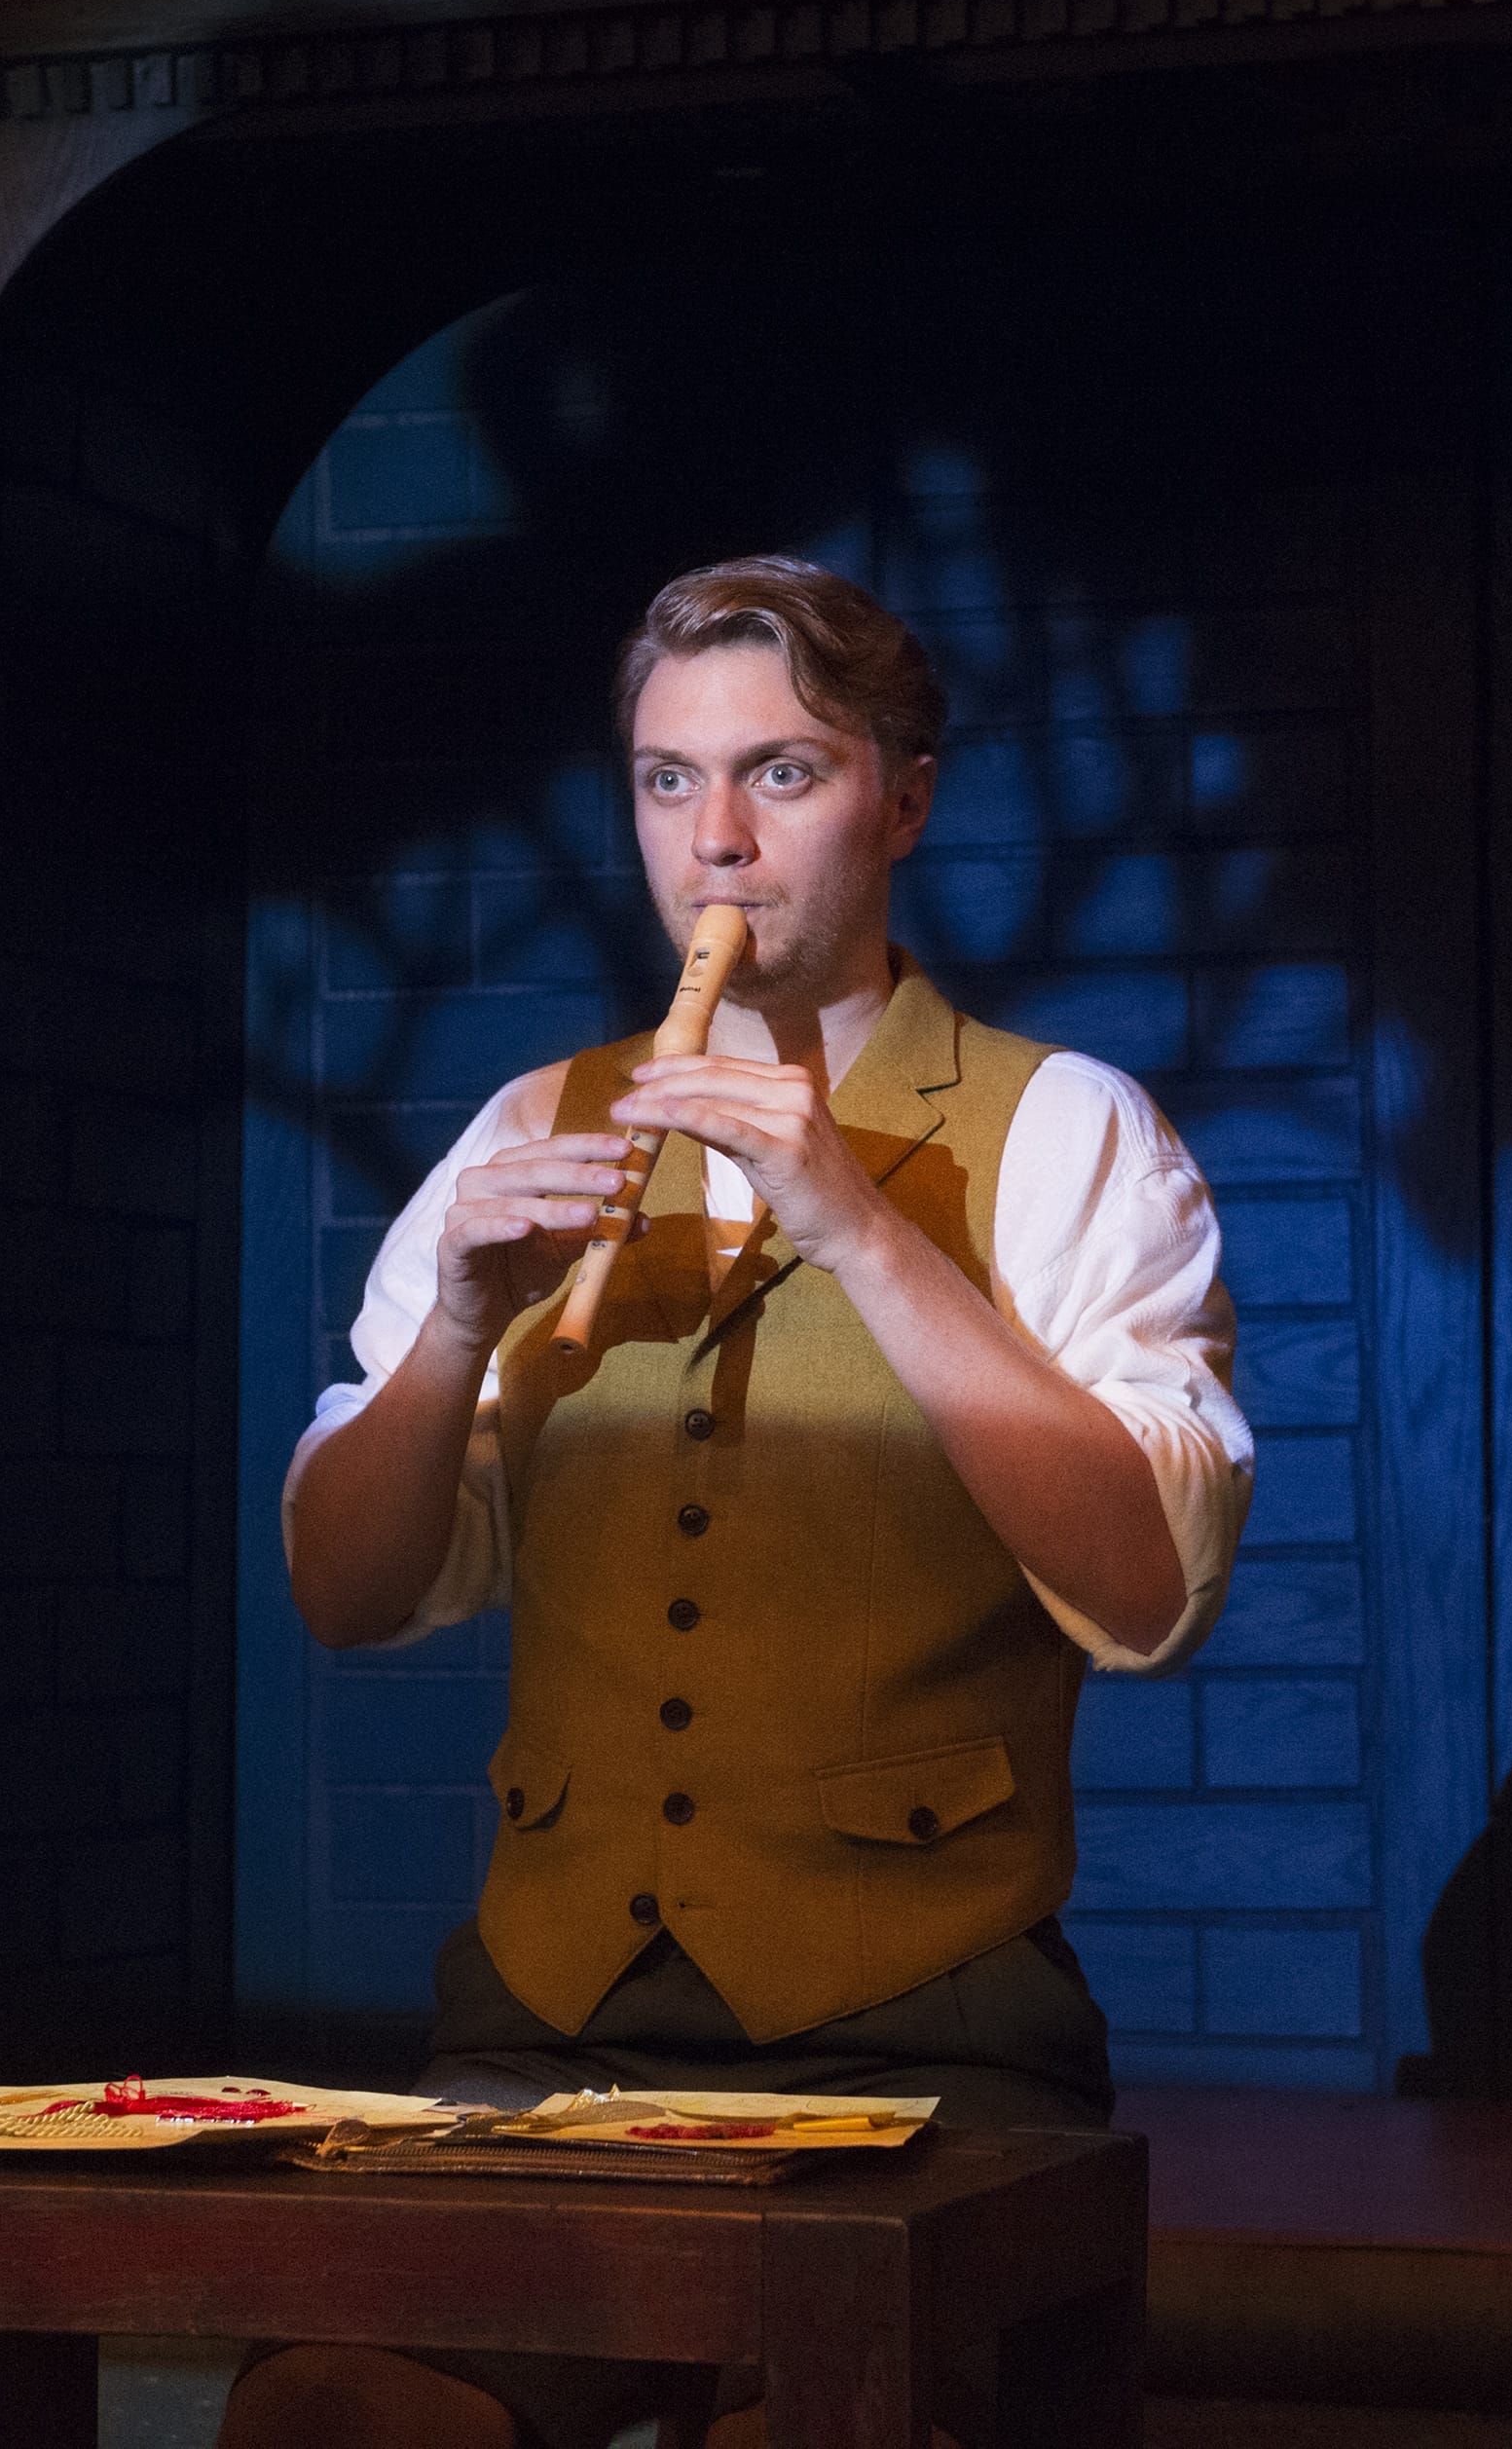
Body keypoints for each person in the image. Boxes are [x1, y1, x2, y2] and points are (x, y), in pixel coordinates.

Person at [222, 556, 1253, 2449]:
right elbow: (347, 1590)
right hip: (547, 2031)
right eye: (666, 779)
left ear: (904, 801)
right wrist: (453, 1324)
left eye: (782, 772)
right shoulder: (532, 1125)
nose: (715, 839)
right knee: (336, 2411)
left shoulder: (1067, 1128)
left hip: (925, 2037)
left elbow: (1149, 1589)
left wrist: (858, 1223)